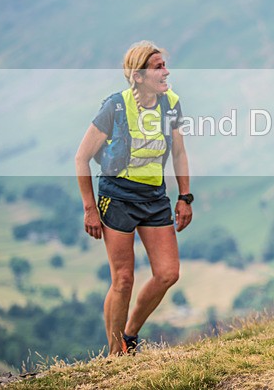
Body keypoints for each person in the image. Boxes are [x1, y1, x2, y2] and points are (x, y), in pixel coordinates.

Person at [75, 41, 193, 354]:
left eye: (164, 65)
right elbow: (81, 158)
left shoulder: (171, 104)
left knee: (168, 273)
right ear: (138, 76)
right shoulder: (115, 107)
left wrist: (185, 196)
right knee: (123, 279)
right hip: (117, 198)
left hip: (154, 198)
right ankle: (116, 355)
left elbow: (179, 153)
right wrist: (89, 209)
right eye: (158, 67)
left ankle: (129, 335)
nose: (166, 72)